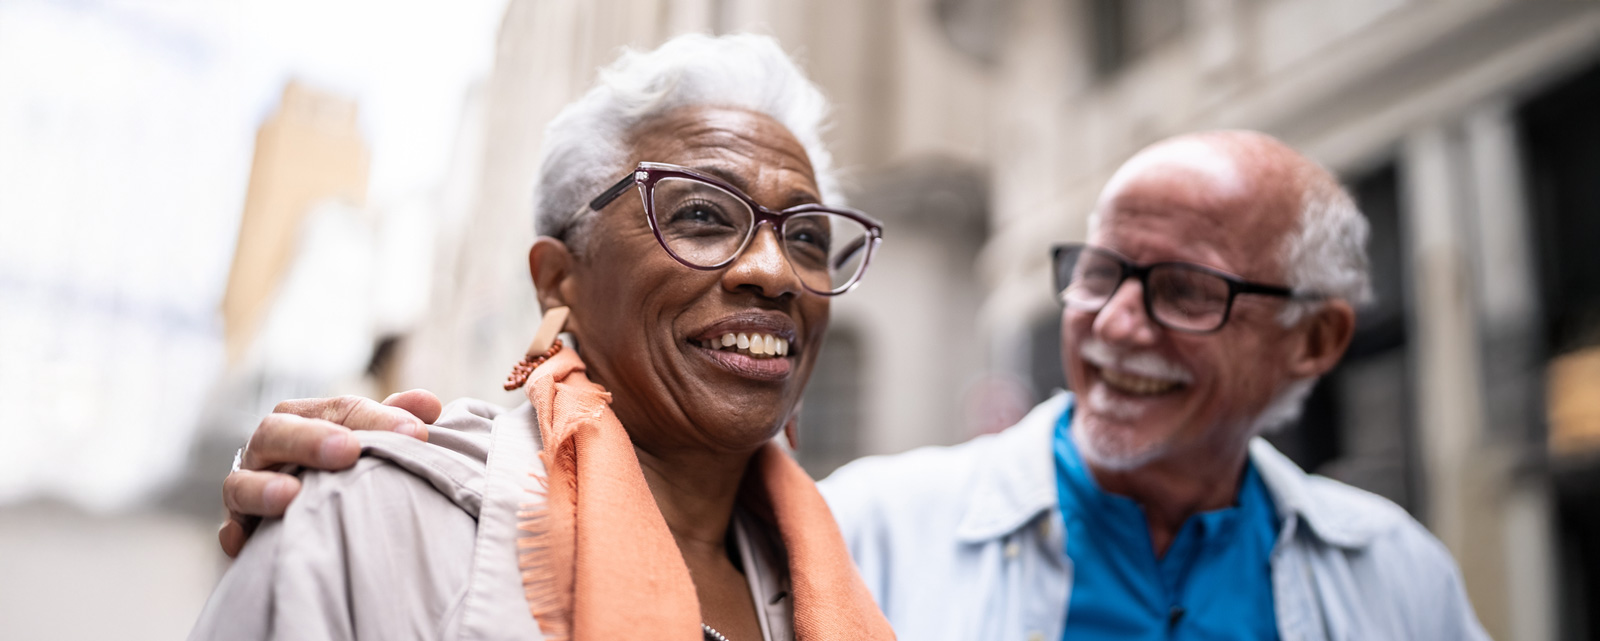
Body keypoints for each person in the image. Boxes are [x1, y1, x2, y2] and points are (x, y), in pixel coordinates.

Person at [223, 131, 1490, 639]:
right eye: (1097, 269)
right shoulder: (848, 541)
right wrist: (389, 486)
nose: (1112, 323)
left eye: (1185, 291)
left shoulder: (1399, 580)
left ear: (1316, 343)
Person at [193, 33, 894, 641]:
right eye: (704, 214)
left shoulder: (861, 574)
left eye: (805, 235)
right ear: (559, 281)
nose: (774, 273)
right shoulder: (373, 522)